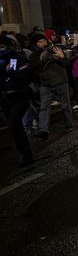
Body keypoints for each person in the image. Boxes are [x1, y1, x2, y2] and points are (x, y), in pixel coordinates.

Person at [29, 32, 74, 139]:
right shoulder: (34, 55)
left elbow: (67, 64)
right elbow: (34, 68)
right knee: (44, 108)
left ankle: (69, 124)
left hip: (60, 81)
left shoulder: (55, 49)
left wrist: (61, 57)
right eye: (40, 42)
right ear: (36, 44)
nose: (43, 43)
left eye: (44, 40)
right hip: (45, 84)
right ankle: (43, 129)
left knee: (66, 105)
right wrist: (41, 59)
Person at [0, 36, 35, 166]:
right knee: (14, 127)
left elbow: (22, 76)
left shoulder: (16, 58)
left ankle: (26, 154)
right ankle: (24, 152)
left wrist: (11, 71)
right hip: (5, 98)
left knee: (15, 123)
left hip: (19, 96)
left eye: (2, 47)